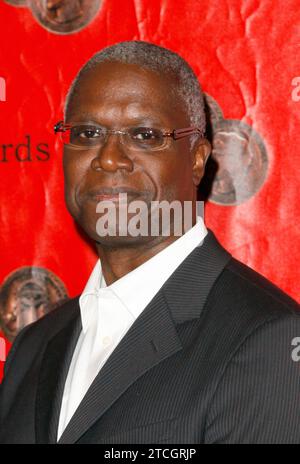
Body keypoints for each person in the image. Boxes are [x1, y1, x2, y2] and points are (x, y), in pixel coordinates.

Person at [0, 40, 299, 444]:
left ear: (197, 159)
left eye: (144, 134)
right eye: (87, 132)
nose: (108, 158)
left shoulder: (268, 338)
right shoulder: (35, 345)